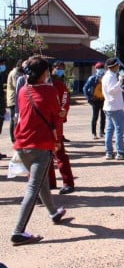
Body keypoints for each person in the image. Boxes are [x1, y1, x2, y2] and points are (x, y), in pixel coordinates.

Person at [11, 56, 66, 246]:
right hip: (41, 145)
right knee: (33, 188)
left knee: (40, 182)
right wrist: (57, 140)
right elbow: (56, 116)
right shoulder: (50, 91)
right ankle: (18, 231)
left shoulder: (23, 90)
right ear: (44, 73)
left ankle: (54, 212)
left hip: (22, 144)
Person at [48, 62, 75, 195]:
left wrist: (61, 116)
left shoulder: (59, 85)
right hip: (44, 125)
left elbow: (64, 104)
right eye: (58, 69)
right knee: (45, 156)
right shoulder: (41, 85)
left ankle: (68, 182)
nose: (60, 71)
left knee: (59, 153)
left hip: (55, 125)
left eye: (62, 69)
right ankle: (50, 182)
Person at [102, 58, 124, 160]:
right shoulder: (111, 77)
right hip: (115, 107)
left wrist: (121, 88)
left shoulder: (107, 76)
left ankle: (109, 152)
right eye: (117, 66)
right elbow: (111, 90)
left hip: (109, 106)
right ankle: (120, 152)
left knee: (109, 130)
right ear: (114, 66)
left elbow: (112, 90)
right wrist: (120, 83)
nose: (119, 67)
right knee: (119, 131)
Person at [83, 62, 106, 139]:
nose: (101, 70)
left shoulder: (105, 78)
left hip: (103, 99)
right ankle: (94, 133)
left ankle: (102, 132)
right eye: (99, 68)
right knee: (95, 116)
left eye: (102, 68)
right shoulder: (92, 78)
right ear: (96, 69)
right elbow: (85, 88)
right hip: (95, 100)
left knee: (103, 116)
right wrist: (90, 97)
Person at [5, 59, 25, 143]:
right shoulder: (15, 73)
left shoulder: (19, 73)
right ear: (20, 65)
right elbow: (17, 85)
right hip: (14, 99)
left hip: (16, 98)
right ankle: (14, 138)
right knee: (14, 119)